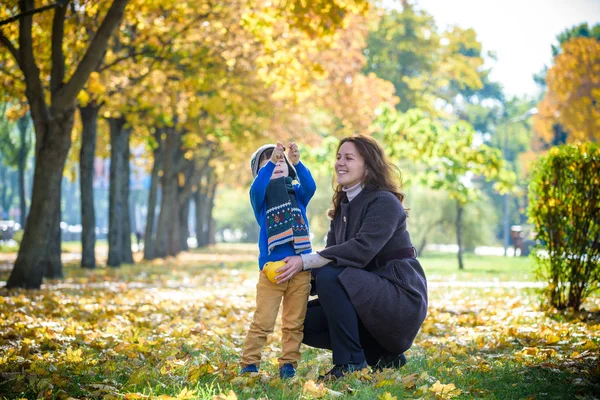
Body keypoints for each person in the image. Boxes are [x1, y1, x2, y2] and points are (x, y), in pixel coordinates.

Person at [275, 135, 428, 380]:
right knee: (299, 317)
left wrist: (303, 261)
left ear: (368, 165)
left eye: (348, 158)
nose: (339, 163)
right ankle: (381, 355)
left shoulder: (384, 202)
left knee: (330, 274)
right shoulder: (344, 206)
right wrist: (290, 283)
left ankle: (350, 365)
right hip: (364, 295)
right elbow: (330, 260)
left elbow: (361, 250)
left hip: (399, 299)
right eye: (338, 157)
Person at [240, 141, 316, 379]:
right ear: (260, 171)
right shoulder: (261, 200)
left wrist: (296, 161)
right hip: (272, 271)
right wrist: (272, 162)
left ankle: (288, 365)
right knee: (263, 321)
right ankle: (249, 363)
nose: (277, 162)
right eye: (270, 161)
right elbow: (256, 188)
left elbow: (311, 186)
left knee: (294, 323)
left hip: (300, 271)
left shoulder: (298, 194)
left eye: (280, 160)